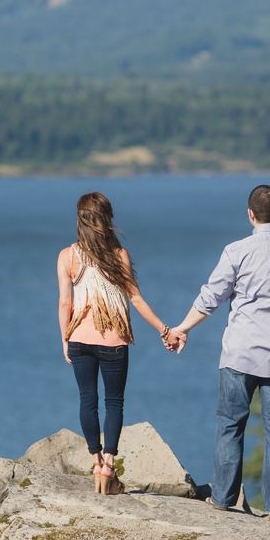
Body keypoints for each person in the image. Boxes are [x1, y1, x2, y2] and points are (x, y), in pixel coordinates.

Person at [169, 184, 270, 520]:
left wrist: (182, 328)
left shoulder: (236, 251)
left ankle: (223, 499)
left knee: (229, 426)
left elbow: (211, 298)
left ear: (250, 215)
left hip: (240, 355)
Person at [58, 192, 181, 495]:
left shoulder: (67, 256)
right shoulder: (119, 254)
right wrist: (164, 330)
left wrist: (65, 338)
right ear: (107, 219)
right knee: (114, 402)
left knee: (87, 400)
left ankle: (95, 460)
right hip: (114, 341)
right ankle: (109, 465)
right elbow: (135, 298)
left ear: (80, 220)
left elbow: (65, 302)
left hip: (78, 340)